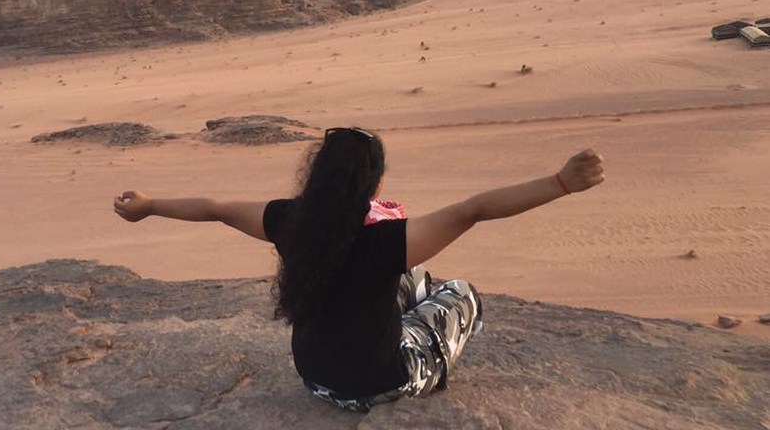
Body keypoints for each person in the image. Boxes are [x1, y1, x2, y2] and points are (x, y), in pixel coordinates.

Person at [114, 127, 604, 412]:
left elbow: (217, 208)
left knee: (410, 282)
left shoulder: (288, 221)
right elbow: (472, 210)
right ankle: (427, 350)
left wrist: (150, 205)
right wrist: (561, 182)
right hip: (382, 380)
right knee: (458, 291)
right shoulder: (387, 241)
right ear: (373, 182)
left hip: (314, 379)